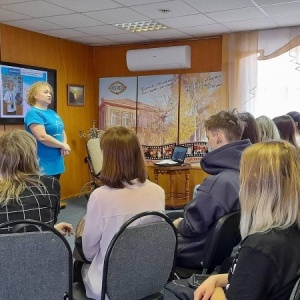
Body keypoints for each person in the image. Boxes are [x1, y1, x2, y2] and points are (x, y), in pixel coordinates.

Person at [194, 140, 300, 300]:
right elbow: (257, 277)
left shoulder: (260, 247)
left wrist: (215, 291)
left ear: (254, 186)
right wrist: (216, 279)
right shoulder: (288, 233)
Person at [77, 126, 165, 299]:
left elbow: (88, 253)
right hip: (148, 278)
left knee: (78, 263)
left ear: (108, 157)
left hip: (110, 287)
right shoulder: (158, 191)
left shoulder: (99, 197)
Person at [173, 110, 251, 270]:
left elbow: (190, 227)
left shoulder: (220, 183)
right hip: (224, 253)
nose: (208, 144)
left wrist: (179, 223)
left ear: (218, 136)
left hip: (194, 252)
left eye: (208, 138)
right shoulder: (246, 174)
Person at [0, 130, 73, 236]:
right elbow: (48, 220)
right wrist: (53, 229)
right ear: (32, 156)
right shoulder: (50, 185)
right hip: (41, 250)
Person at [24, 81, 71, 180]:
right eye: (45, 92)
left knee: (55, 193)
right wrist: (62, 145)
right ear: (35, 95)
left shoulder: (52, 112)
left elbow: (61, 130)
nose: (49, 95)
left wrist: (64, 146)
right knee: (44, 194)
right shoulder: (33, 113)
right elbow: (42, 137)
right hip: (43, 163)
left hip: (57, 161)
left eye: (50, 93)